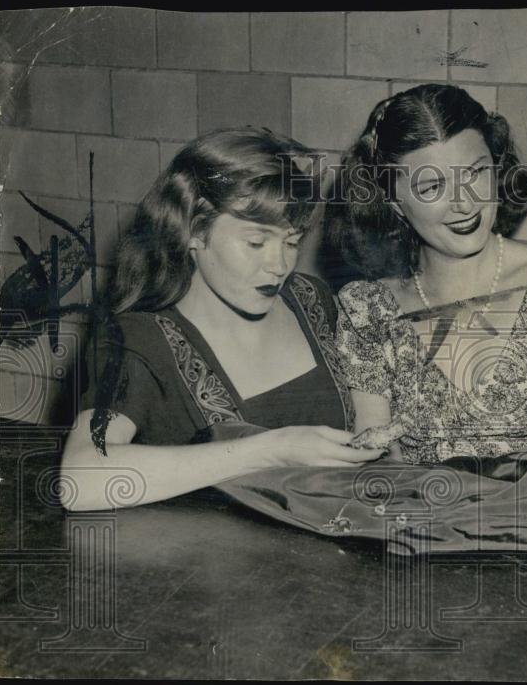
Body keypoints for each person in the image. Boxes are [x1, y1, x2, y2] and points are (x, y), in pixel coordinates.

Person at [60, 128, 382, 512]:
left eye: (292, 242)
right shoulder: (138, 341)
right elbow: (80, 480)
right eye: (256, 242)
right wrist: (271, 450)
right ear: (194, 231)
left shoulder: (310, 300)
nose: (279, 265)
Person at [333, 84, 527, 464]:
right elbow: (378, 456)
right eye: (432, 186)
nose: (465, 203)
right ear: (394, 203)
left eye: (476, 172)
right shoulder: (368, 311)